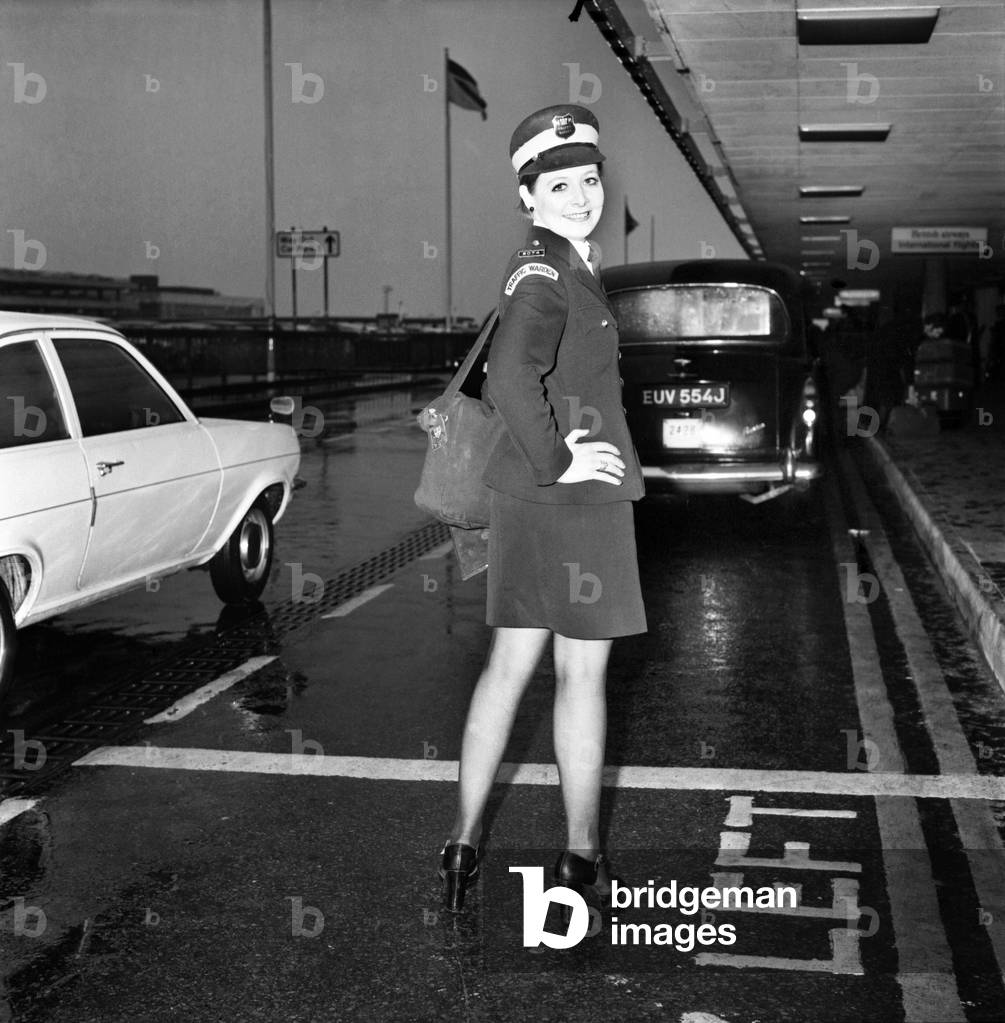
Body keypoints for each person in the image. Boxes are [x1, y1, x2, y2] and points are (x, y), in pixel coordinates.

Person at [439, 105, 647, 914]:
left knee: (507, 670)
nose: (580, 194)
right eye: (559, 184)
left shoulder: (554, 262)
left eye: (589, 179)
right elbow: (505, 377)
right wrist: (564, 460)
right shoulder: (545, 271)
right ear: (528, 195)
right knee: (580, 677)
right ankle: (582, 856)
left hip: (527, 498)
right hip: (575, 501)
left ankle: (460, 845)